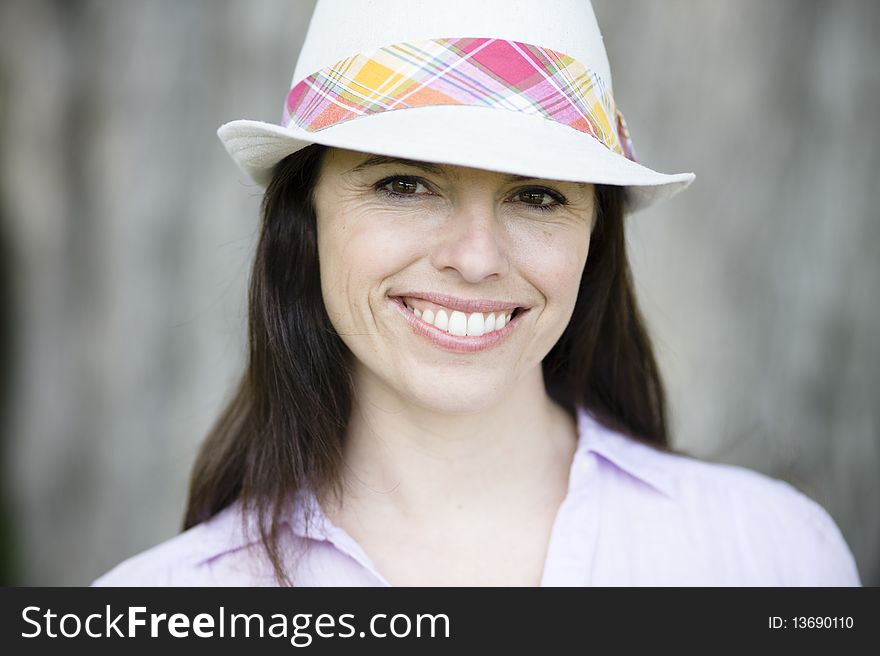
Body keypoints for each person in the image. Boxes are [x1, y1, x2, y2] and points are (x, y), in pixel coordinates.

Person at [93, 0, 860, 586]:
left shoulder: (771, 554)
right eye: (404, 183)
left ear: (596, 237)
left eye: (536, 195)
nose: (475, 257)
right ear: (305, 217)